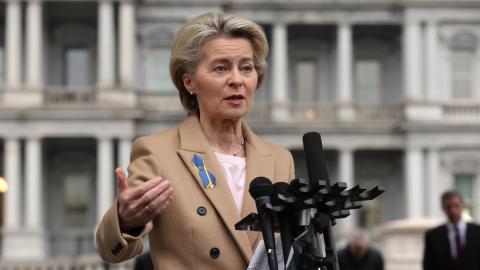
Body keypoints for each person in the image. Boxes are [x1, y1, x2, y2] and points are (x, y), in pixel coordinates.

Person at [95, 12, 294, 270]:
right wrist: (125, 220)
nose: (237, 80)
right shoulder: (157, 152)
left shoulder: (280, 159)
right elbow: (113, 251)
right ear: (189, 81)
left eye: (246, 68)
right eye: (221, 68)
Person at [423, 190, 480, 270]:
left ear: (463, 206)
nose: (452, 211)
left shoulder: (477, 232)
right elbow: (428, 265)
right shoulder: (432, 236)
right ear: (443, 208)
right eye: (448, 207)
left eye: (456, 205)